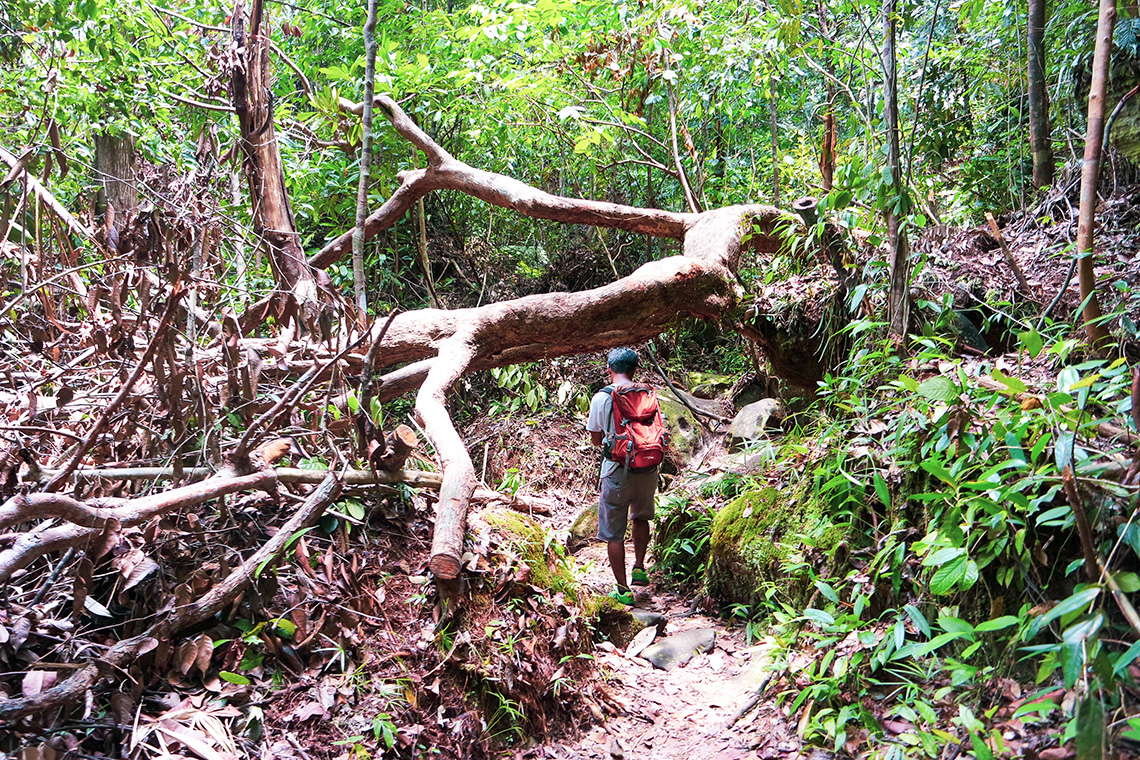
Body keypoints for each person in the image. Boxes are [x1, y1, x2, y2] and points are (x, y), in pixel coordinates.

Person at [586, 347, 659, 605]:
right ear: (634, 369)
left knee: (613, 532)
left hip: (617, 470)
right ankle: (639, 566)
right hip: (648, 468)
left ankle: (623, 589)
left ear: (609, 369)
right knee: (641, 517)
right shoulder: (648, 394)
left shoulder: (602, 398)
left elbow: (596, 440)